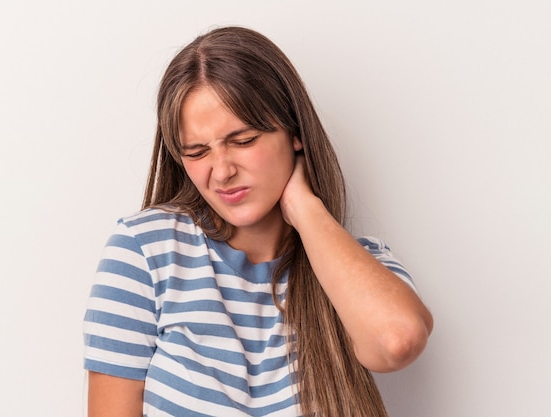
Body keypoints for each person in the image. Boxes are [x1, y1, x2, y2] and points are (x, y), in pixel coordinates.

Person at [83, 26, 433, 417]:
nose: (221, 172)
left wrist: (304, 208)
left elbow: (397, 340)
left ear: (295, 132)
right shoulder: (145, 250)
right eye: (197, 152)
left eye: (243, 140)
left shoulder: (355, 266)